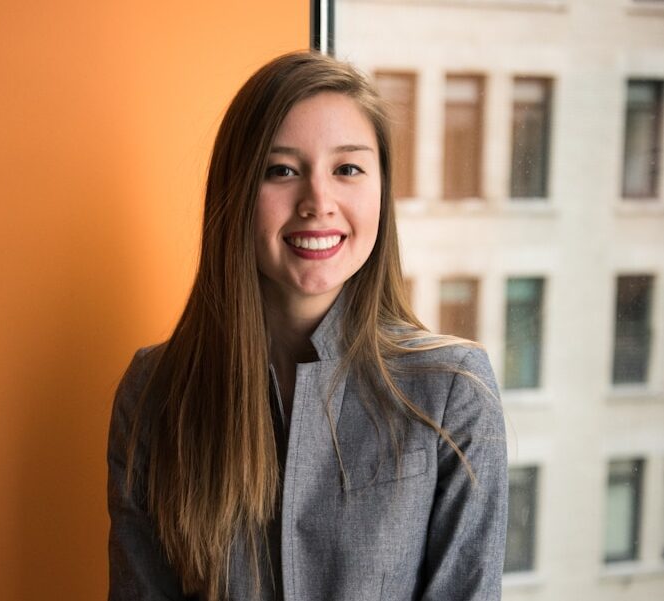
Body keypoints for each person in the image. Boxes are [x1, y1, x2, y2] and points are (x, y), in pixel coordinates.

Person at [108, 51, 508, 601]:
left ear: (380, 193)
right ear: (237, 194)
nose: (318, 202)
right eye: (282, 171)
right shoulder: (154, 391)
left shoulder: (454, 388)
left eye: (347, 169)